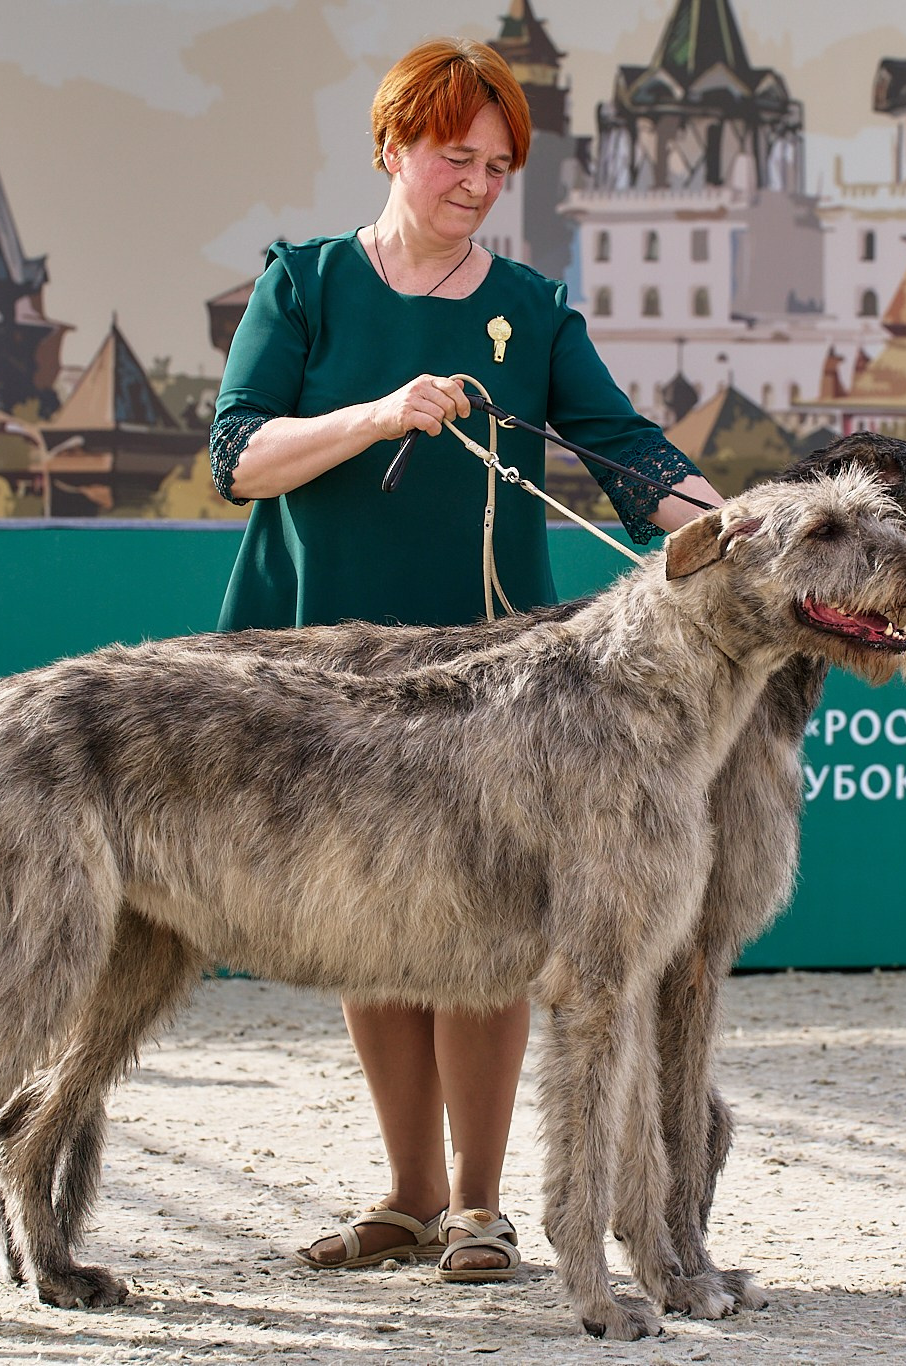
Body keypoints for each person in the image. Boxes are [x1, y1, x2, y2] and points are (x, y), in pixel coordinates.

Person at [206, 37, 722, 1282]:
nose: (477, 182)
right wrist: (380, 413)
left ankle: (481, 1211)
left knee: (486, 927)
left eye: (497, 165)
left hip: (495, 674)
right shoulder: (307, 284)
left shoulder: (532, 309)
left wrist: (735, 528)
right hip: (324, 663)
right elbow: (236, 459)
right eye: (455, 155)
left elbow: (626, 452)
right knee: (371, 922)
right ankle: (405, 1195)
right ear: (393, 146)